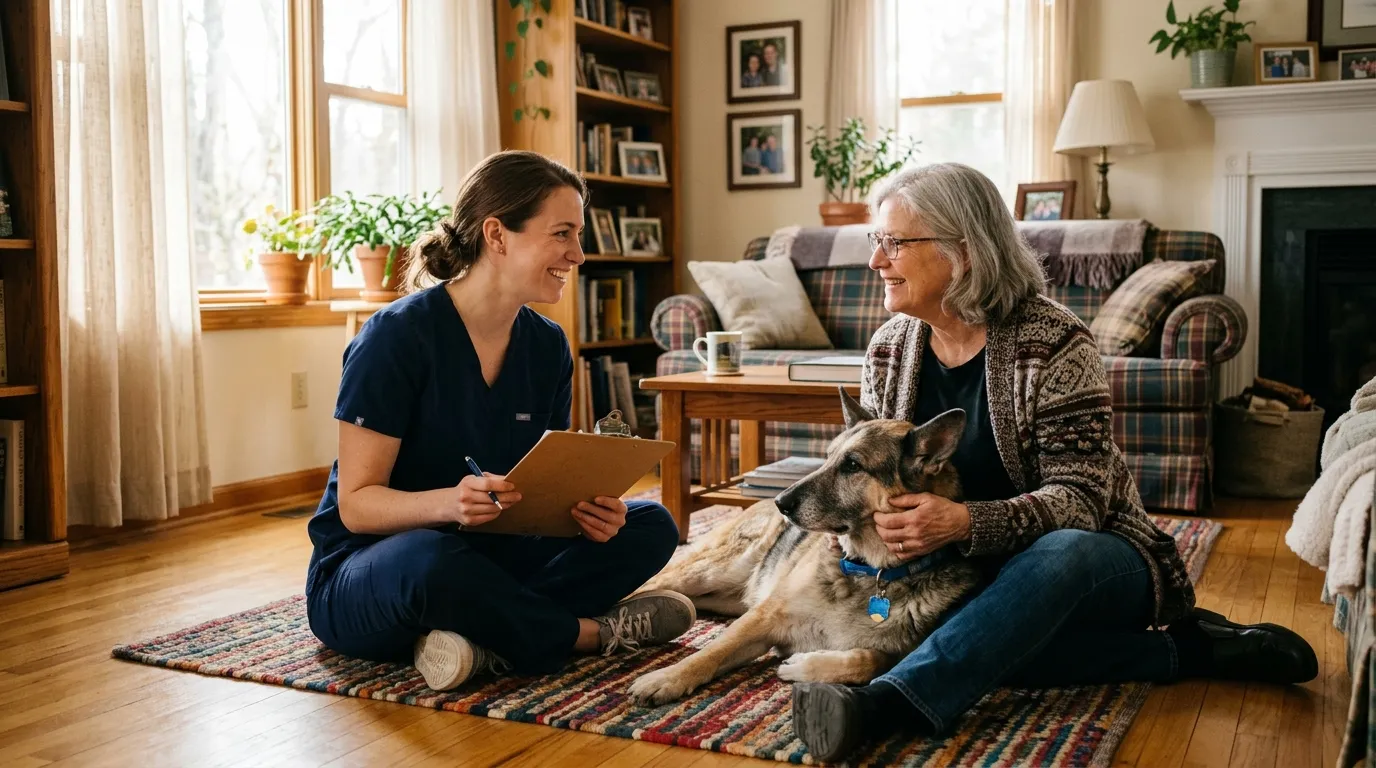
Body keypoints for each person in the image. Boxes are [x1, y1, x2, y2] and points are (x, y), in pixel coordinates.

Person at [789, 162, 1319, 761]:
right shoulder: (889, 349)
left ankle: (890, 703)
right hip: (962, 574)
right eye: (875, 241)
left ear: (961, 248)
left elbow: (1083, 501)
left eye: (894, 242)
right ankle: (1190, 652)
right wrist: (850, 526)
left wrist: (965, 523)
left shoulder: (1053, 341)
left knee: (1054, 557)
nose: (875, 261)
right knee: (989, 635)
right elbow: (872, 479)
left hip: (1095, 556)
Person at [304, 150, 694, 692]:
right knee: (431, 557)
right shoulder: (394, 338)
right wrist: (448, 503)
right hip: (374, 570)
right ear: (497, 234)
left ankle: (479, 641)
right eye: (562, 234)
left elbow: (536, 491)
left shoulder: (547, 345)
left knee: (650, 525)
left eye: (578, 236)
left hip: (491, 555)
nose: (578, 255)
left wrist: (583, 513)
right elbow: (356, 505)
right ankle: (585, 635)